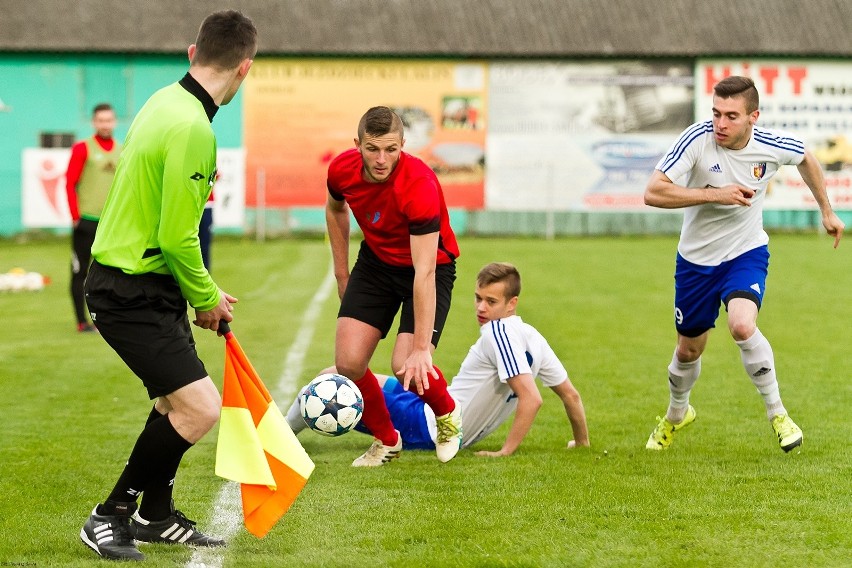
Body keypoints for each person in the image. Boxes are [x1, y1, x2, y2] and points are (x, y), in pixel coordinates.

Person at [79, 11, 256, 562]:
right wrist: (206, 299)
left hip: (143, 284)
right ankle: (108, 515)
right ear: (244, 69)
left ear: (191, 53)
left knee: (171, 402)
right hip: (128, 290)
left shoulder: (163, 101)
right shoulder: (194, 129)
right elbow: (179, 239)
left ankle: (154, 514)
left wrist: (202, 292)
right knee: (200, 409)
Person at [643, 76, 844, 453]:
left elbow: (807, 159)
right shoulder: (697, 139)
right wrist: (715, 194)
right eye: (716, 113)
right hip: (696, 262)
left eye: (731, 116)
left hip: (745, 252)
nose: (720, 123)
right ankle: (675, 415)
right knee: (689, 350)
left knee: (741, 324)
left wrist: (826, 211)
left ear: (753, 116)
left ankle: (779, 415)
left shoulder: (770, 144)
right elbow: (653, 192)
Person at [287, 262, 590, 456]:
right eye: (477, 298)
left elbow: (531, 398)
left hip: (428, 426)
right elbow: (571, 396)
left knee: (329, 380)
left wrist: (505, 452)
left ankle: (280, 438)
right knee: (344, 373)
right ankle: (282, 434)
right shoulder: (533, 337)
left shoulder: (497, 333)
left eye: (491, 302)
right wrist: (582, 442)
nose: (481, 308)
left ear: (512, 304)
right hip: (428, 408)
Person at [326, 106, 463, 466]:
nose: (382, 159)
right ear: (358, 145)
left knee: (406, 365)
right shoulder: (341, 170)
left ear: (403, 144)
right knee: (349, 363)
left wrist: (421, 349)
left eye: (391, 149)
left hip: (429, 267)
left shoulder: (418, 185)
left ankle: (447, 416)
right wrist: (342, 276)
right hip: (375, 264)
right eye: (372, 149)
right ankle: (387, 440)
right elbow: (335, 209)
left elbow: (424, 272)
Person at [65, 103, 122, 333]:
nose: (105, 124)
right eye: (101, 120)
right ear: (94, 122)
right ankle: (81, 321)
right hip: (87, 222)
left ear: (114, 122)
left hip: (113, 223)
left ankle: (108, 320)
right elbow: (70, 182)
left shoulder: (122, 149)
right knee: (81, 273)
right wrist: (75, 216)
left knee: (116, 274)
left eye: (108, 120)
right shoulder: (82, 148)